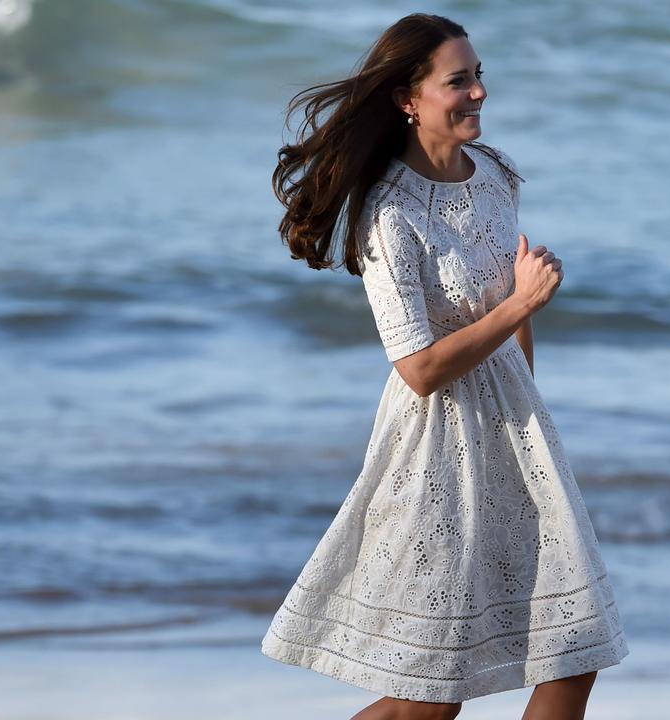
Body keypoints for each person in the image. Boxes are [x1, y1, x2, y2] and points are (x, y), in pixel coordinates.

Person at [261, 14, 627, 720]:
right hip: (435, 447)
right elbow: (420, 369)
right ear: (409, 98)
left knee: (575, 652)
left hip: (517, 437)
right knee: (429, 701)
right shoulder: (388, 216)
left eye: (479, 75)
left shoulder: (494, 175)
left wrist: (529, 413)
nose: (480, 92)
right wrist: (520, 305)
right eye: (459, 80)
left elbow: (505, 317)